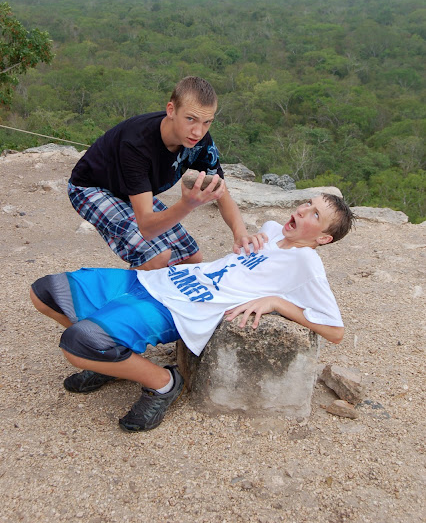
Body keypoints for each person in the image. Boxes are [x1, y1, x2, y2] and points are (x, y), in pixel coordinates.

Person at [30, 194, 355, 433]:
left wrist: (276, 302)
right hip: (158, 279)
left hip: (177, 307)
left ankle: (163, 383)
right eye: (307, 204)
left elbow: (334, 330)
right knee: (45, 292)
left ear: (323, 238)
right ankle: (111, 361)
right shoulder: (271, 230)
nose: (302, 210)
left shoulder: (306, 262)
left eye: (314, 214)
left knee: (77, 343)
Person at [68, 75, 256, 273]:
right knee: (157, 256)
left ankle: (160, 298)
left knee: (190, 258)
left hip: (129, 191)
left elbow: (220, 189)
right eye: (190, 119)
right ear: (171, 110)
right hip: (91, 188)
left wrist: (240, 232)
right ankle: (123, 300)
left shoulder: (199, 141)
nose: (198, 131)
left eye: (207, 122)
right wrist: (187, 204)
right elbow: (147, 228)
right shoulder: (137, 144)